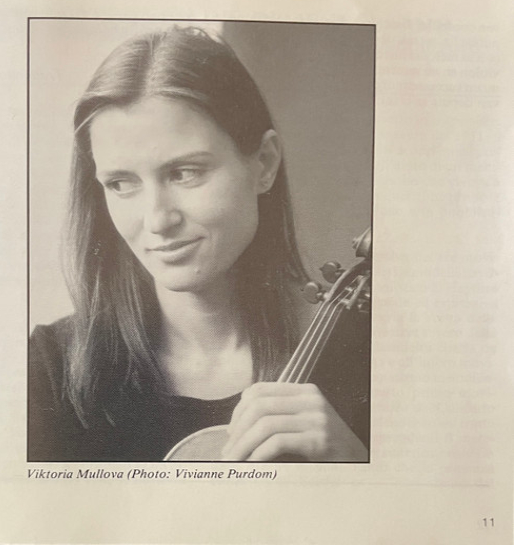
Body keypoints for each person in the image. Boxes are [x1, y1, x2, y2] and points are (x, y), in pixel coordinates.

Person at [29, 25, 370, 462]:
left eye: (185, 173)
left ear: (264, 164)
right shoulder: (49, 369)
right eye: (121, 183)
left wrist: (354, 465)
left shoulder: (367, 357)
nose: (157, 220)